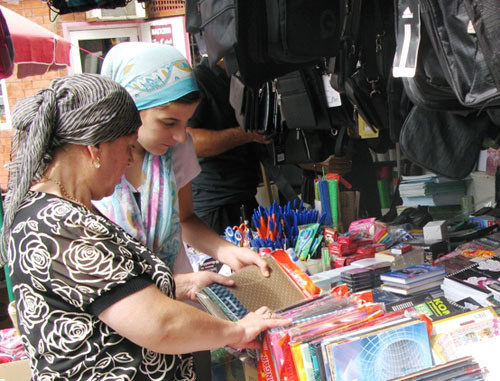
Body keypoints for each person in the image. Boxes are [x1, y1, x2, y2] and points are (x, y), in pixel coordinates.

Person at [2, 73, 290, 380]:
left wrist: (181, 285)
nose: (129, 160)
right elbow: (159, 325)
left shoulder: (57, 212)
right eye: (127, 146)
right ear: (94, 149)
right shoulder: (59, 224)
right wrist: (237, 329)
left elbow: (104, 297)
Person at [94, 42, 269, 277]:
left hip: (180, 293)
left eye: (186, 123)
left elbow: (185, 219)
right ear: (130, 110)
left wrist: (227, 251)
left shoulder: (177, 148)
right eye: (168, 123)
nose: (180, 136)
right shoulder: (93, 163)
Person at [187, 57, 271, 234]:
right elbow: (190, 141)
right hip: (215, 203)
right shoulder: (200, 80)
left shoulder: (242, 79)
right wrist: (245, 134)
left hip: (245, 196)